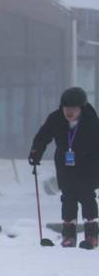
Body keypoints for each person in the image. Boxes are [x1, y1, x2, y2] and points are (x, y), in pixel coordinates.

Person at [29, 86, 99, 248]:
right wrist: (35, 152)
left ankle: (92, 236)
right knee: (68, 197)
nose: (69, 112)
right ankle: (68, 236)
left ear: (81, 108)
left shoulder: (91, 121)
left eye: (74, 109)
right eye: (67, 108)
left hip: (88, 164)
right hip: (65, 164)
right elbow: (42, 136)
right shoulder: (56, 118)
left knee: (87, 196)